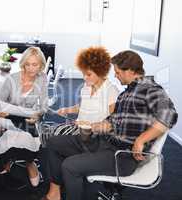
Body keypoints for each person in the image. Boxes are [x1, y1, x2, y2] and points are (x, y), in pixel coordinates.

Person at [41, 50, 178, 200]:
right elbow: (112, 122)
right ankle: (55, 194)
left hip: (122, 155)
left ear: (131, 71)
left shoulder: (149, 88)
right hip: (104, 142)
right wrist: (93, 126)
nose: (115, 75)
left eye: (118, 72)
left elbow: (169, 115)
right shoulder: (127, 93)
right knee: (53, 142)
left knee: (70, 166)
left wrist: (141, 139)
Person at [0, 46, 48, 187]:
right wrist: (1, 112)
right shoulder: (12, 79)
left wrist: (38, 115)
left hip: (28, 118)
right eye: (27, 64)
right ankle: (8, 160)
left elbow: (44, 106)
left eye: (34, 64)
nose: (30, 68)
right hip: (9, 117)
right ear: (23, 64)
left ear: (41, 65)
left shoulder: (42, 78)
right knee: (8, 137)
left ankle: (29, 163)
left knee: (27, 137)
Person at [55, 46, 119, 137]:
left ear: (100, 72)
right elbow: (83, 107)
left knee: (54, 140)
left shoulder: (111, 91)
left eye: (89, 74)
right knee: (51, 134)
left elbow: (112, 124)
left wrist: (88, 125)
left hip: (94, 135)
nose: (85, 78)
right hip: (79, 129)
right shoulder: (86, 87)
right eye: (83, 74)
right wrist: (66, 110)